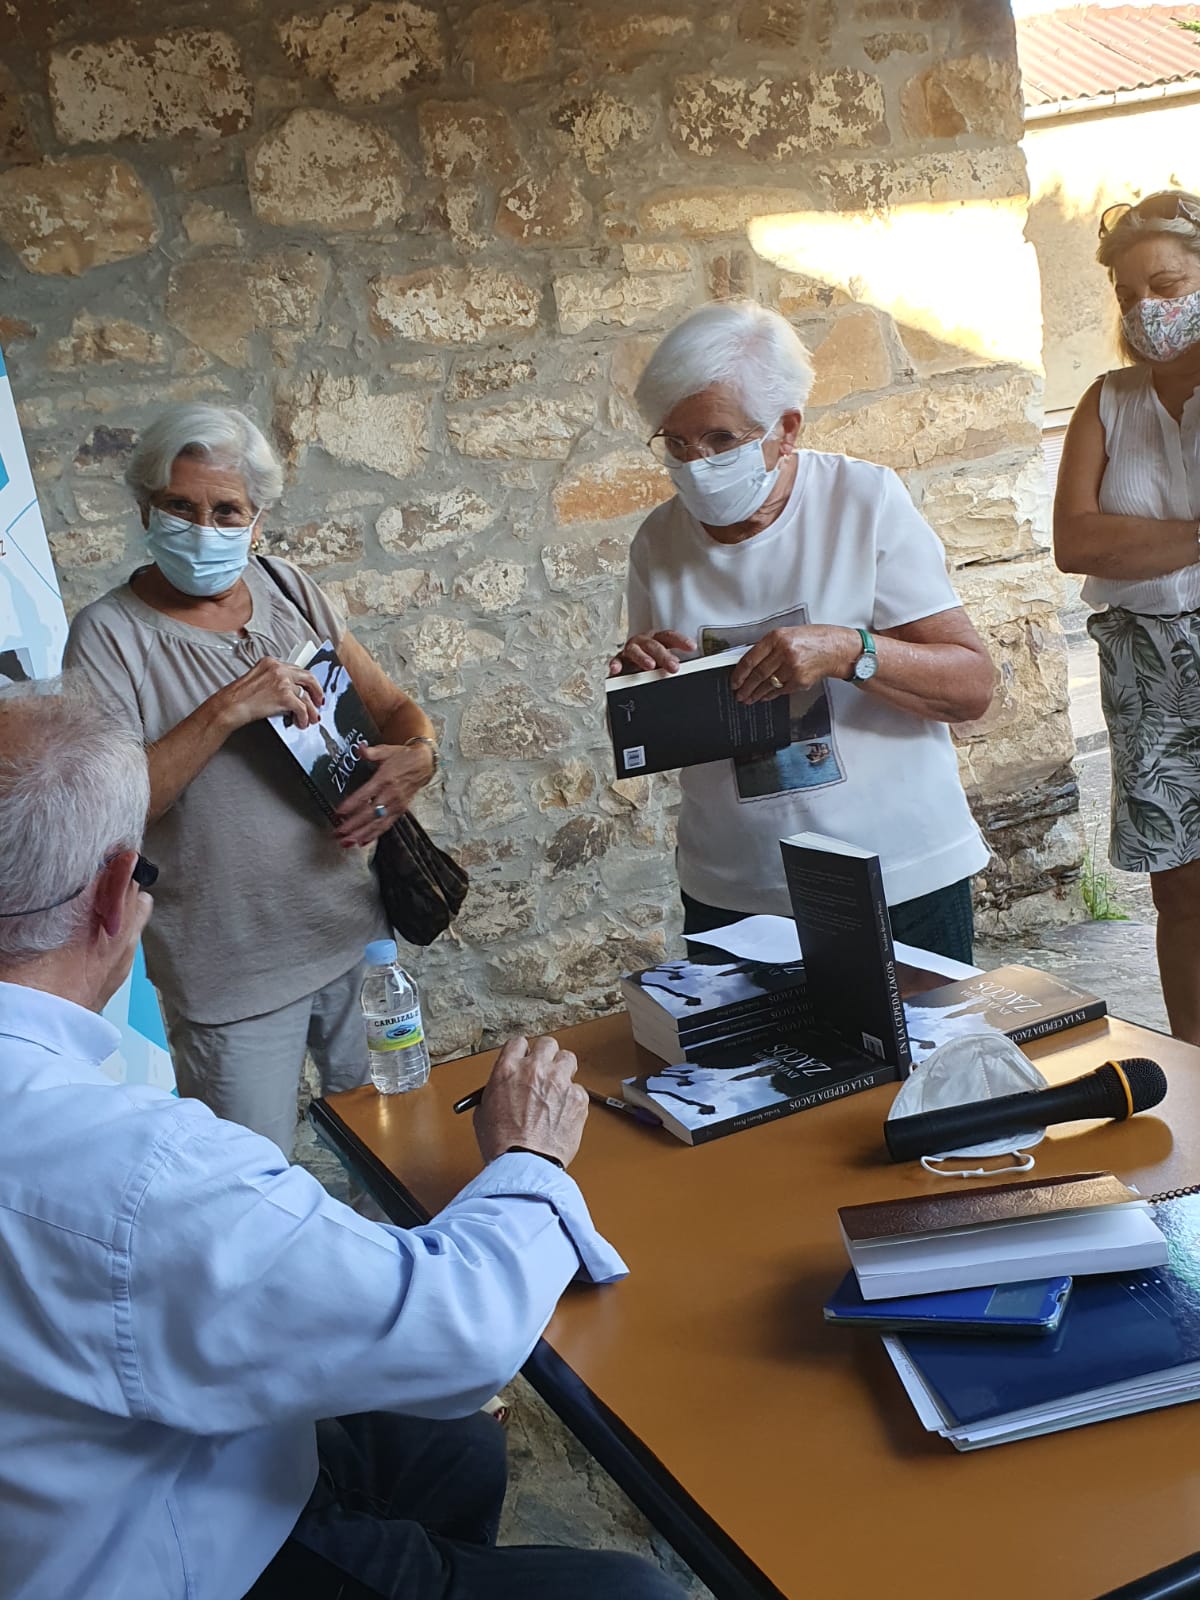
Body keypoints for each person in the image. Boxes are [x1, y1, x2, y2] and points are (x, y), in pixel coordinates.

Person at [0, 676, 683, 1600]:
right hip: (161, 1552)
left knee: (458, 1450)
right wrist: (527, 1157)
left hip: (78, 1470)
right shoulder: (134, 1168)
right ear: (120, 893)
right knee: (634, 1594)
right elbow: (459, 1331)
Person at [65, 403, 439, 1156]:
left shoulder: (288, 589)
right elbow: (110, 810)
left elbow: (393, 708)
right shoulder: (110, 635)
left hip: (355, 943)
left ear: (256, 520)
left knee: (395, 1155)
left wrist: (421, 756)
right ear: (146, 508)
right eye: (181, 506)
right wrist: (227, 708)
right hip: (228, 974)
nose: (204, 527)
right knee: (249, 1188)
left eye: (226, 509)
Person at [608, 301, 994, 963]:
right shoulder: (658, 541)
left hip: (898, 876)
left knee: (926, 1067)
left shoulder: (862, 502)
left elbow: (970, 685)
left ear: (785, 429)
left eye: (720, 440)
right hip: (736, 892)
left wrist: (849, 650)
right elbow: (663, 720)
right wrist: (644, 677)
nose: (694, 463)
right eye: (675, 443)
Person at [1055, 191, 1200, 1046]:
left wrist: (1140, 542)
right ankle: (1195, 1075)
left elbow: (1111, 538)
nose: (1148, 308)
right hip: (1144, 662)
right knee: (1179, 889)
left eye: (1168, 283)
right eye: (1129, 296)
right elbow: (1078, 541)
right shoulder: (1105, 401)